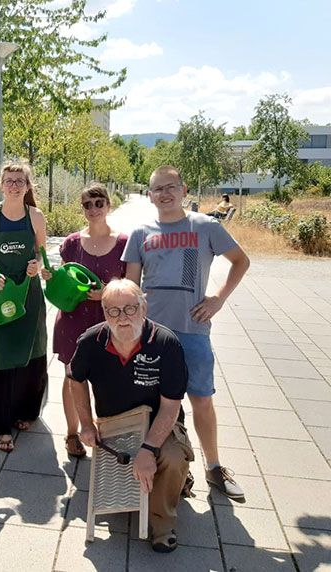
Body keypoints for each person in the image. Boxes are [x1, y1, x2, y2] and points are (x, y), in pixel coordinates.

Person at [123, 165, 250, 502]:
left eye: (170, 187)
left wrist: (218, 299)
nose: (164, 194)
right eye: (157, 189)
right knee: (154, 403)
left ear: (184, 189)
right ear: (149, 196)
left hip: (192, 330)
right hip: (151, 334)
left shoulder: (205, 226)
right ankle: (173, 469)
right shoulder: (140, 234)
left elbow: (241, 261)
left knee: (202, 399)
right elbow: (132, 287)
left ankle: (214, 466)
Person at [70, 279, 193, 553]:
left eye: (130, 309)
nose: (122, 317)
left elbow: (171, 405)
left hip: (159, 422)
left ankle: (162, 524)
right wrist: (86, 425)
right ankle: (157, 484)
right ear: (104, 313)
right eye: (113, 311)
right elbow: (75, 379)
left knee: (171, 458)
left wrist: (148, 449)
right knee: (127, 472)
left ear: (144, 308)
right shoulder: (92, 340)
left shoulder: (165, 343)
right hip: (114, 426)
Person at [0, 163, 48, 452]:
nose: (14, 185)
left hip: (28, 296)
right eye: (9, 181)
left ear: (28, 186)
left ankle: (24, 412)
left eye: (20, 181)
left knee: (31, 351)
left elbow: (42, 256)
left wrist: (36, 266)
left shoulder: (36, 216)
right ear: (0, 184)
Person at [52, 183, 128, 459]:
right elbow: (64, 280)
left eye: (98, 203)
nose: (93, 209)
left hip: (109, 321)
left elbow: (132, 286)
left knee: (108, 379)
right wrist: (52, 279)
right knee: (72, 376)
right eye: (87, 204)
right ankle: (72, 434)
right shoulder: (72, 243)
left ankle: (105, 431)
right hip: (74, 319)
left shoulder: (124, 243)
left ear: (108, 205)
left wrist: (105, 293)